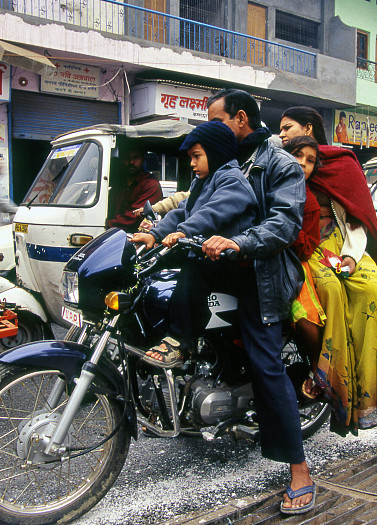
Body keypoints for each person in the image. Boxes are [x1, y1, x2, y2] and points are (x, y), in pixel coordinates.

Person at [167, 89, 313, 514]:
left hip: (262, 277)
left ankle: (300, 469)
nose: (208, 129)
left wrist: (236, 242)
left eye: (217, 119)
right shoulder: (216, 165)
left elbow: (283, 224)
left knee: (266, 365)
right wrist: (157, 232)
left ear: (241, 119)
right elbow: (189, 209)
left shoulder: (280, 164)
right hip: (221, 267)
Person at [278, 106, 377, 438]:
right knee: (331, 291)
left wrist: (353, 259)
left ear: (308, 129)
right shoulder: (281, 161)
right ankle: (331, 378)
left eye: (287, 127)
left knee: (372, 292)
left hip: (344, 244)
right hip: (308, 246)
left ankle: (367, 396)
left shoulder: (342, 164)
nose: (281, 134)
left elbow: (357, 217)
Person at [131, 121, 257, 364]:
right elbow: (181, 211)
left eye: (197, 156)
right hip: (207, 258)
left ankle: (180, 341)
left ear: (216, 151)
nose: (192, 163)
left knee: (193, 270)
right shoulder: (202, 181)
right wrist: (154, 235)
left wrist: (183, 232)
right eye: (190, 157)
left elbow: (212, 212)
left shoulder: (233, 181)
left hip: (232, 264)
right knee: (153, 271)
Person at [282, 136, 326, 386]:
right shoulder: (270, 184)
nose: (302, 163)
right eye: (297, 155)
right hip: (262, 255)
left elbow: (308, 245)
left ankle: (317, 368)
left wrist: (285, 233)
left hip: (294, 263)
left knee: (305, 319)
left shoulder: (309, 203)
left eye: (310, 161)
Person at [106, 148, 162, 232]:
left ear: (142, 159)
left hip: (140, 236)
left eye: (135, 158)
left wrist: (107, 224)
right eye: (127, 158)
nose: (131, 162)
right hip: (115, 233)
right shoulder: (119, 184)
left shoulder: (151, 184)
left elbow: (135, 216)